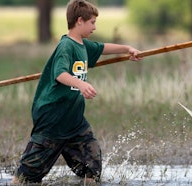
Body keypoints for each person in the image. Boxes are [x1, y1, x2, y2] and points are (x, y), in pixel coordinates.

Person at [12, 0, 142, 184]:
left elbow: (103, 48)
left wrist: (127, 49)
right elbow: (60, 74)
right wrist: (81, 85)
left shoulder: (83, 45)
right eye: (92, 22)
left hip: (74, 121)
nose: (95, 27)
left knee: (93, 166)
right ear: (79, 21)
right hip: (53, 119)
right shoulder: (66, 46)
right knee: (28, 174)